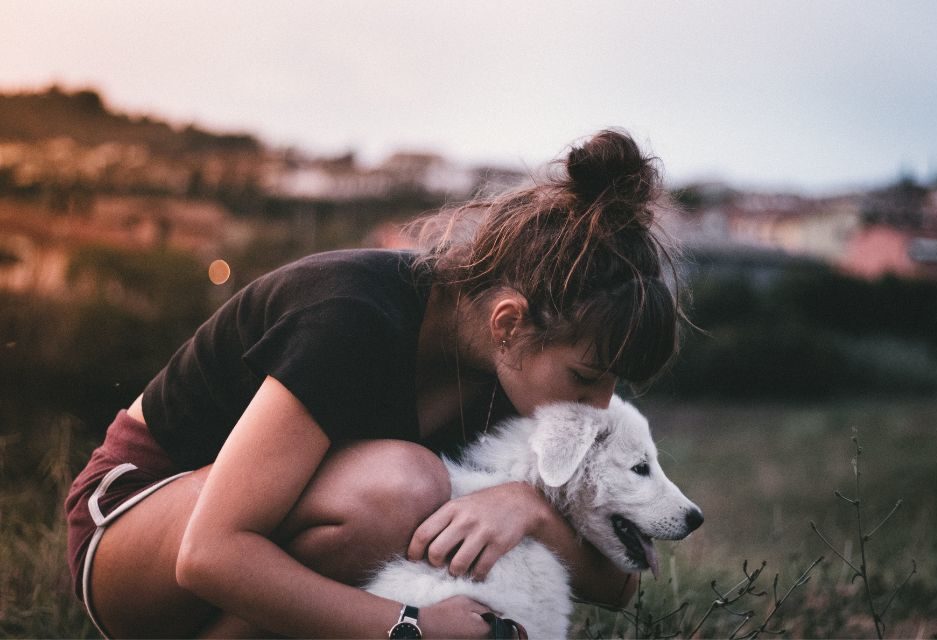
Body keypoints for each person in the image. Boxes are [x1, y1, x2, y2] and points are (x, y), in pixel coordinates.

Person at [65, 128, 684, 638]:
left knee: (412, 496)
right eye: (585, 378)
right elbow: (208, 554)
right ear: (509, 323)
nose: (599, 407)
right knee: (401, 488)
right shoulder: (352, 316)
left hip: (233, 558)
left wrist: (528, 511)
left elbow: (617, 585)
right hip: (133, 539)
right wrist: (411, 627)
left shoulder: (510, 375)